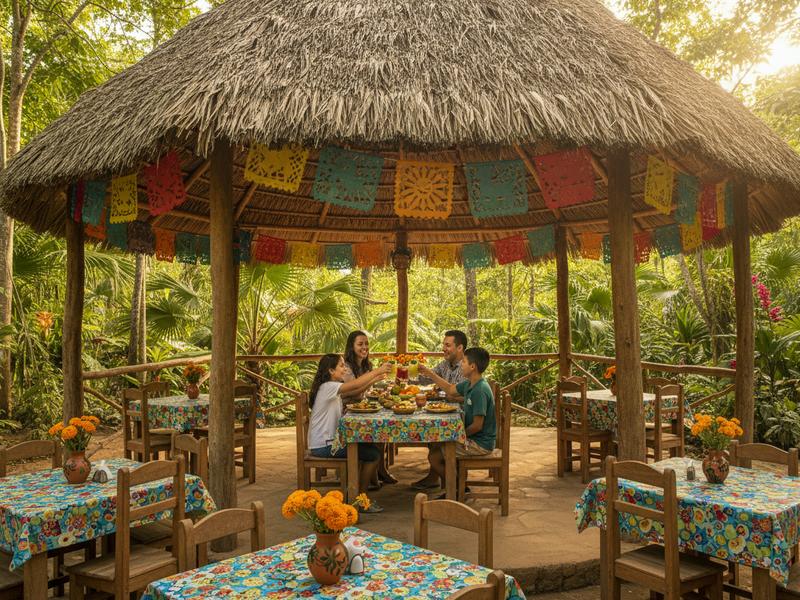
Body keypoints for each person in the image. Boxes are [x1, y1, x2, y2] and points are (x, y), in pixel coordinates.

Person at [307, 353, 391, 512]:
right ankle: (360, 498)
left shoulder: (329, 387)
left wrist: (374, 379)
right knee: (373, 454)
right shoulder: (328, 387)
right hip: (325, 446)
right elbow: (354, 385)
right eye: (341, 366)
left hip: (329, 442)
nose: (345, 368)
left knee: (369, 447)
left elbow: (356, 390)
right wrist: (377, 370)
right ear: (331, 370)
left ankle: (356, 492)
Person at [418, 347, 496, 494]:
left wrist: (458, 436)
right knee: (436, 447)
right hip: (473, 439)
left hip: (480, 444)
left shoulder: (480, 390)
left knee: (435, 456)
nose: (461, 365)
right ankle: (457, 486)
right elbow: (450, 389)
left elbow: (478, 426)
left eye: (464, 362)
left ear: (472, 367)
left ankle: (455, 489)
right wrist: (429, 373)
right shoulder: (469, 384)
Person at [412, 330, 469, 490]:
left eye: (447, 345)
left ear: (460, 348)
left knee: (435, 447)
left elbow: (455, 392)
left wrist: (448, 395)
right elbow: (426, 378)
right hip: (445, 413)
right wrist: (406, 374)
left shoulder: (466, 367)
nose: (443, 348)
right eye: (443, 344)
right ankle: (435, 477)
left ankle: (456, 486)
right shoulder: (445, 364)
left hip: (463, 419)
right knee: (432, 434)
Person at [341, 330, 397, 487]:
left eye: (366, 344)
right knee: (378, 434)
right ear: (351, 347)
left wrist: (377, 381)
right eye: (360, 344)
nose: (364, 347)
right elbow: (354, 392)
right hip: (347, 414)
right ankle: (370, 478)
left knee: (382, 433)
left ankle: (378, 472)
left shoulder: (364, 365)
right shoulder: (346, 367)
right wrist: (374, 377)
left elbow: (363, 392)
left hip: (360, 410)